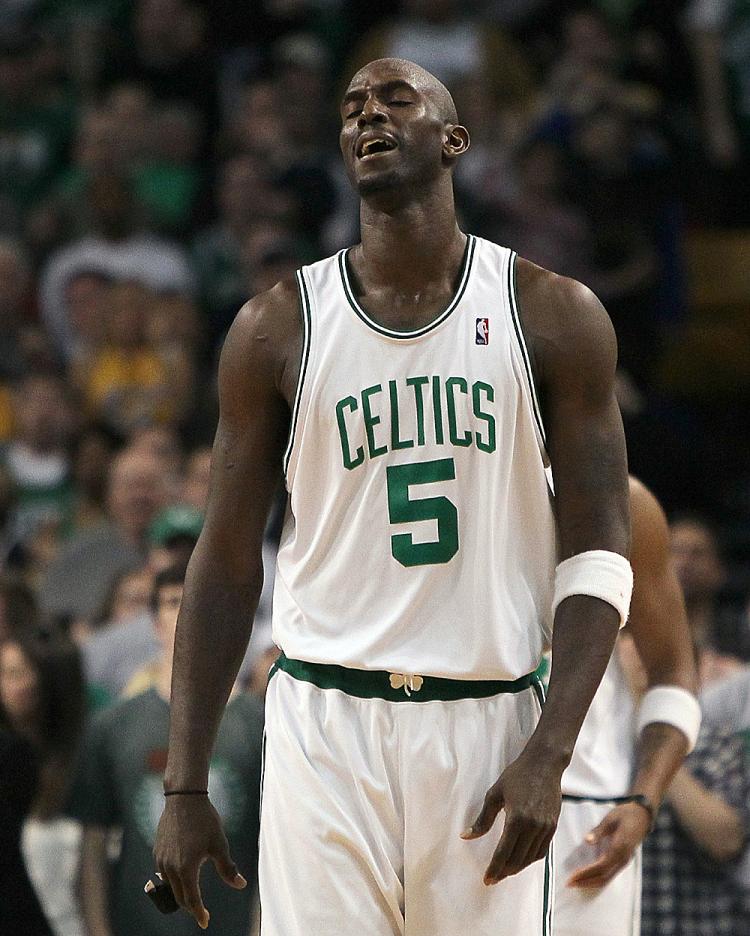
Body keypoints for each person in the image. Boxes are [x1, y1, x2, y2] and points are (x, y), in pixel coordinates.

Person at [154, 58, 631, 935]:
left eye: (395, 99)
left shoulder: (553, 314)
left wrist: (552, 750)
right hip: (325, 721)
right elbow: (223, 566)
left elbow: (600, 548)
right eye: (351, 108)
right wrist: (185, 785)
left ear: (454, 141)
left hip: (488, 719)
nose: (368, 113)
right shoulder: (276, 327)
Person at [68, 562, 264, 936]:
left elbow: (275, 845)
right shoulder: (113, 726)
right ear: (155, 621)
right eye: (175, 602)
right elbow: (92, 848)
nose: (188, 612)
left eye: (198, 600)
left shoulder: (260, 722)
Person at [553, 476, 700, 936]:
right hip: (467, 786)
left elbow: (674, 671)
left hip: (588, 809)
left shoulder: (628, 503)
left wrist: (644, 800)